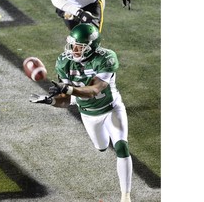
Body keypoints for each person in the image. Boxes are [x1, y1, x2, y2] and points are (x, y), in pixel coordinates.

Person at [30, 23, 133, 202]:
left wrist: (69, 89)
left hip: (110, 108)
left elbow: (94, 90)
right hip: (88, 113)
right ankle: (102, 144)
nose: (74, 50)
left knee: (121, 147)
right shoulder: (64, 61)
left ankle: (126, 196)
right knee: (101, 147)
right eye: (73, 45)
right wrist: (51, 100)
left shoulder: (106, 58)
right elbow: (67, 100)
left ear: (91, 47)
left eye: (79, 46)